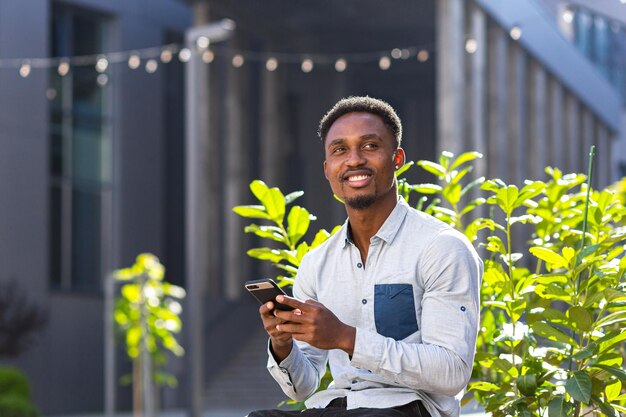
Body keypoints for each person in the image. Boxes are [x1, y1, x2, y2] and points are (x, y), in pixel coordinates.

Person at [248, 96, 482, 417]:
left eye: (370, 146)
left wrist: (346, 337)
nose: (354, 160)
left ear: (396, 158)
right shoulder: (317, 263)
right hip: (335, 408)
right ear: (327, 169)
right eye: (340, 150)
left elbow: (452, 372)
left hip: (406, 407)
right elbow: (303, 386)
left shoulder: (441, 247)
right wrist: (282, 344)